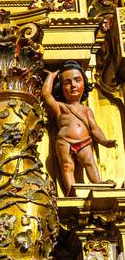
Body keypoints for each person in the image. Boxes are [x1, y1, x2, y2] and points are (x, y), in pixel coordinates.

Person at [41, 62, 116, 194]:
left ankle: (98, 182)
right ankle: (71, 190)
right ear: (61, 87)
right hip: (65, 142)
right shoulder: (61, 107)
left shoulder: (86, 110)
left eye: (77, 80)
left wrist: (104, 141)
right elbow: (46, 95)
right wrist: (51, 77)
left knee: (89, 162)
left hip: (84, 141)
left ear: (84, 84)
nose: (73, 85)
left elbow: (95, 129)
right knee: (67, 166)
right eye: (67, 82)